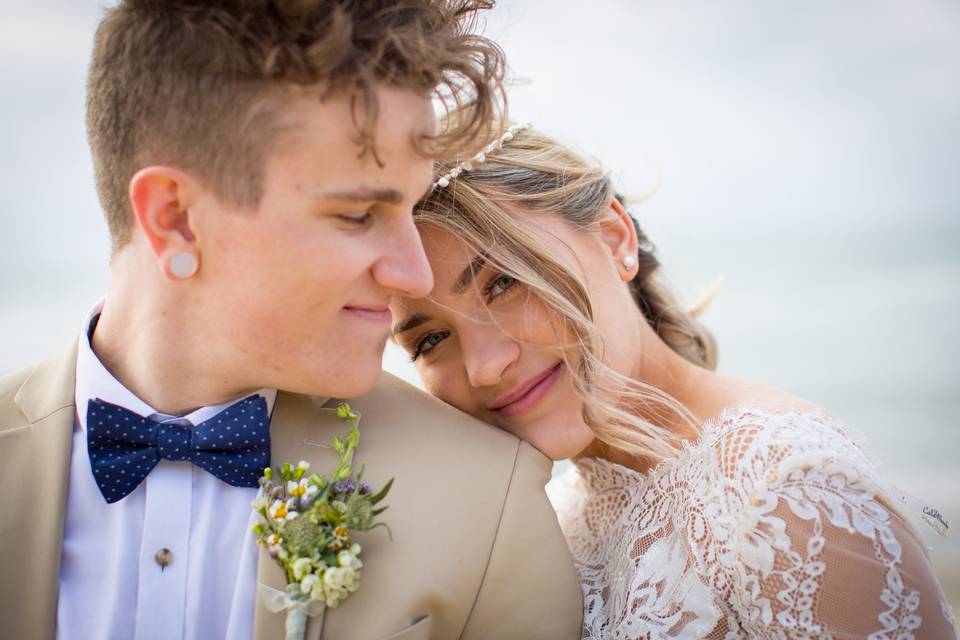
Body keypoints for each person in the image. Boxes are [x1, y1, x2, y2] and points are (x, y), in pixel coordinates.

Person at [0, 4, 584, 639]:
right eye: (360, 215)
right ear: (175, 217)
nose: (413, 277)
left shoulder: (486, 505)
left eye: (412, 210)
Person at [391, 123, 958, 638]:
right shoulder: (557, 522)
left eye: (504, 283)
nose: (485, 365)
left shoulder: (789, 496)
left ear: (615, 240)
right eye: (431, 341)